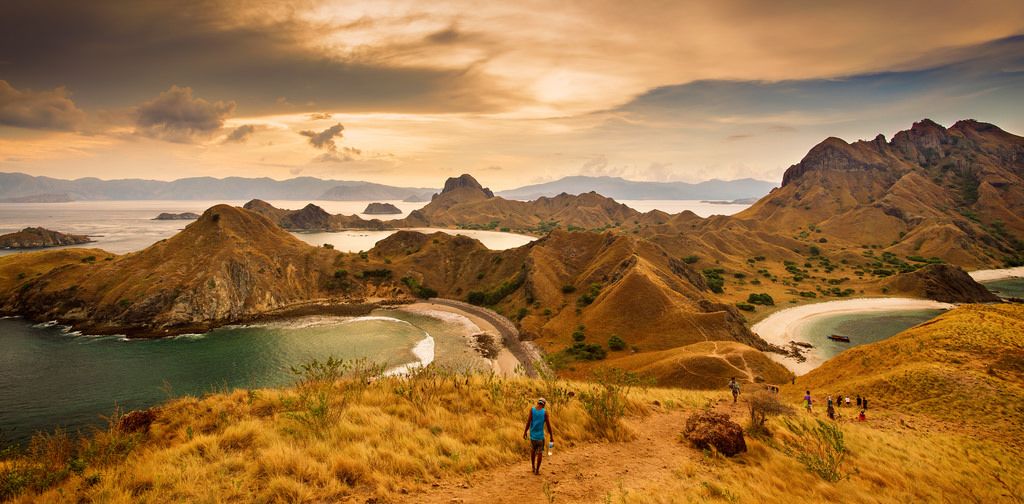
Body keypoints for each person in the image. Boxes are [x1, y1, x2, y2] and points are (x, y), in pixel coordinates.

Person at [523, 397, 554, 475]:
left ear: (538, 403)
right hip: (540, 437)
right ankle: (537, 470)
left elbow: (528, 422)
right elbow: (548, 425)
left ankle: (533, 467)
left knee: (533, 451)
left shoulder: (532, 410)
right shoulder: (545, 412)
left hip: (532, 436)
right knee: (540, 453)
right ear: (544, 405)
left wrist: (525, 432)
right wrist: (551, 436)